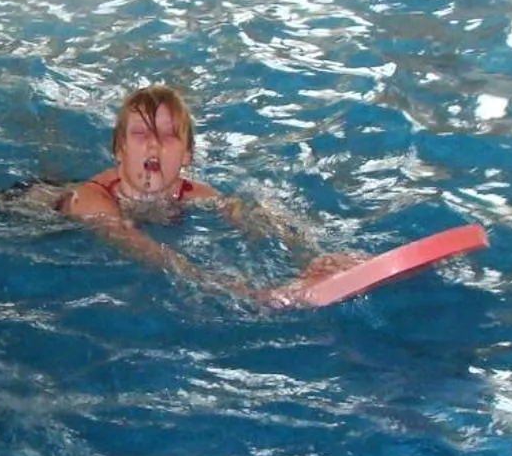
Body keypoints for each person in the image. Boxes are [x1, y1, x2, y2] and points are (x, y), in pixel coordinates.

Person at [57, 85, 360, 309]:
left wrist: (312, 255)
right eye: (140, 134)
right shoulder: (91, 201)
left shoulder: (190, 192)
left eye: (167, 135)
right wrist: (259, 296)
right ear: (119, 149)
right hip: (38, 211)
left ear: (186, 154)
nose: (153, 145)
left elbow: (251, 214)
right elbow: (153, 254)